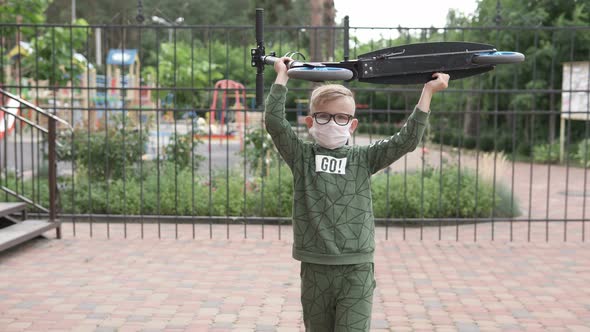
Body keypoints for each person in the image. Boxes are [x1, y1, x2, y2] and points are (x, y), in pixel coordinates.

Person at [264, 57, 449, 332]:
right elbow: (275, 123)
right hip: (316, 266)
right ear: (310, 121)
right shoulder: (301, 156)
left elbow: (407, 140)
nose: (332, 122)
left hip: (357, 267)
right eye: (324, 116)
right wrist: (282, 76)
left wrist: (428, 92)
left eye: (342, 117)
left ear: (352, 125)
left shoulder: (363, 158)